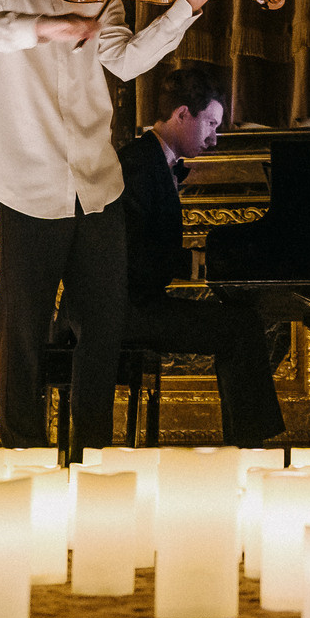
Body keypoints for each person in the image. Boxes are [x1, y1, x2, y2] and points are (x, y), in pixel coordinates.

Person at [0, 0, 225, 452]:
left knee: (103, 330)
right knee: (24, 336)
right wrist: (47, 28)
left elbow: (125, 61)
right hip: (27, 188)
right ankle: (20, 460)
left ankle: (93, 462)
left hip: (99, 186)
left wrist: (186, 6)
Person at [118, 65, 286, 446]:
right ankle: (250, 448)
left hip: (137, 301)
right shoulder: (139, 165)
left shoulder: (150, 161)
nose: (214, 137)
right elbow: (130, 254)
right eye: (210, 123)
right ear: (181, 115)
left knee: (239, 323)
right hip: (124, 310)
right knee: (239, 328)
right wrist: (196, 265)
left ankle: (249, 444)